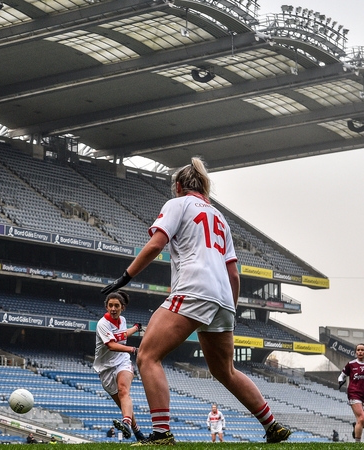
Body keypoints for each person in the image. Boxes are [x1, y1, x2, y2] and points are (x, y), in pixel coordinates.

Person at [100, 158, 292, 445]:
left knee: (148, 356)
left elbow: (156, 244)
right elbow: (233, 274)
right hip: (224, 298)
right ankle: (272, 426)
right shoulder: (220, 218)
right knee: (225, 370)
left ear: (179, 186)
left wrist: (125, 277)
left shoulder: (177, 204)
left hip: (193, 288)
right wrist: (230, 310)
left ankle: (162, 434)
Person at [93, 291, 146, 441]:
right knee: (123, 404)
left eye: (116, 305)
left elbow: (122, 335)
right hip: (105, 369)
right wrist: (133, 349)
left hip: (122, 361)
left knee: (124, 391)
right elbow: (111, 345)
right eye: (110, 305)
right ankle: (138, 433)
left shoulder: (122, 319)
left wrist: (135, 328)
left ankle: (126, 423)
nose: (113, 308)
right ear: (106, 307)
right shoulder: (102, 324)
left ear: (122, 307)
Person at [337, 343, 364, 442]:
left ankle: (356, 426)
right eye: (358, 350)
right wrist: (341, 381)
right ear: (356, 352)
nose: (360, 352)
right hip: (354, 393)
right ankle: (357, 444)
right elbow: (341, 376)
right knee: (361, 418)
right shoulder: (351, 364)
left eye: (362, 350)